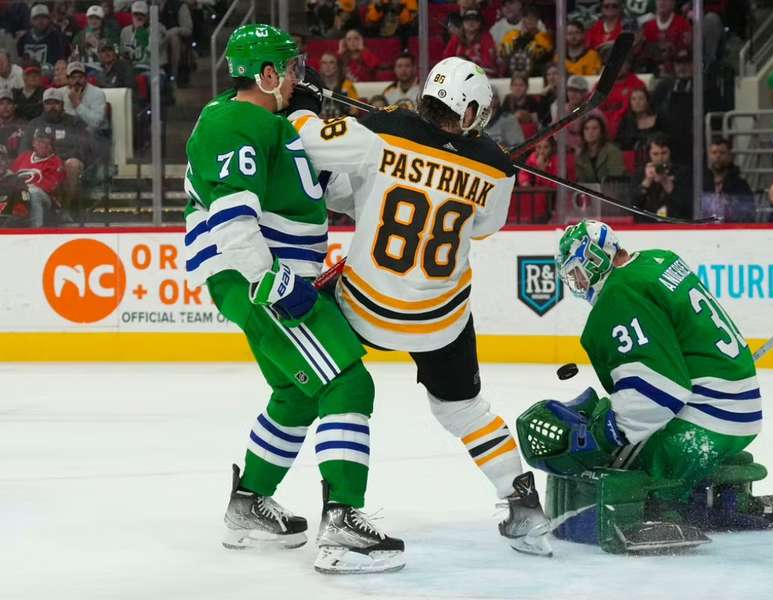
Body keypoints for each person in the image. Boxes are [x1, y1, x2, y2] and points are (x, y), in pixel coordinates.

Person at [288, 55, 553, 556]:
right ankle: (522, 505)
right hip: (439, 320)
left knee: (317, 382)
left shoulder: (383, 130)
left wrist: (306, 104)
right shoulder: (497, 167)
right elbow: (482, 227)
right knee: (465, 411)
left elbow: (313, 146)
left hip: (363, 308)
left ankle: (277, 491)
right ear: (471, 108)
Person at [182, 24, 403, 574]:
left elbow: (334, 196)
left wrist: (401, 150)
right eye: (291, 68)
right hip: (260, 281)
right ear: (266, 74)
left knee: (298, 394)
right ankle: (344, 522)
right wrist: (276, 283)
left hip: (274, 280)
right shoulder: (234, 120)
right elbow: (234, 223)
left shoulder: (278, 128)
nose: (300, 78)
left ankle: (249, 501)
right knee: (348, 380)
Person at [515, 220, 773, 552]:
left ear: (594, 260)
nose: (577, 283)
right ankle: (728, 498)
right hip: (741, 414)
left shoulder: (619, 294)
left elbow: (660, 392)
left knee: (627, 455)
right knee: (622, 417)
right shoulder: (658, 260)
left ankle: (666, 508)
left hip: (705, 425)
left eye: (577, 271)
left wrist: (603, 434)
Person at [21, 87, 89, 211]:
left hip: (65, 162)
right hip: (41, 164)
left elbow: (84, 147)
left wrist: (60, 160)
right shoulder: (34, 124)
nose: (52, 107)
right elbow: (24, 150)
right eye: (48, 103)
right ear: (43, 105)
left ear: (62, 105)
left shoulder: (74, 122)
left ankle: (65, 209)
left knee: (72, 164)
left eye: (56, 103)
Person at [11, 129, 64, 227]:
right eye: (39, 142)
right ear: (33, 143)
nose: (43, 145)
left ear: (51, 146)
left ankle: (36, 229)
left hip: (46, 199)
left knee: (33, 192)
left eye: (47, 143)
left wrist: (25, 187)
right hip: (19, 193)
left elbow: (51, 187)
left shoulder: (55, 161)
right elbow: (11, 173)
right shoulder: (24, 156)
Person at [633, 132, 691, 221]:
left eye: (664, 153)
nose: (660, 158)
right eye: (655, 154)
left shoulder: (682, 172)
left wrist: (666, 182)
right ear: (649, 154)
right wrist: (647, 181)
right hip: (647, 226)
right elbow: (633, 206)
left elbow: (686, 207)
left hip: (675, 224)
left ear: (670, 152)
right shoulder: (641, 173)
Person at [701, 137, 754, 222]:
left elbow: (748, 213)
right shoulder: (702, 182)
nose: (717, 156)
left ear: (729, 156)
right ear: (709, 155)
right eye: (714, 153)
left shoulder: (740, 185)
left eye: (722, 153)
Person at [638, 0, 691, 76]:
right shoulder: (648, 26)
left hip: (675, 72)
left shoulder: (682, 24)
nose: (662, 2)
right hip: (652, 72)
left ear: (673, 3)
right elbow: (645, 55)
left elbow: (684, 52)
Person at [615, 87, 665, 166]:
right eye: (633, 99)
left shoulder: (659, 119)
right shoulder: (625, 122)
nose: (637, 102)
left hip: (657, 159)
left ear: (647, 101)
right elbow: (620, 143)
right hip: (633, 162)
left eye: (641, 98)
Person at [498, 6, 553, 77]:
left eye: (533, 18)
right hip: (512, 77)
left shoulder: (544, 38)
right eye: (526, 17)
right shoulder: (511, 35)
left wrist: (534, 33)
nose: (529, 21)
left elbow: (544, 55)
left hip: (536, 77)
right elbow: (502, 53)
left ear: (538, 21)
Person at [442, 10, 497, 77]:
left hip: (480, 76)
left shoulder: (486, 38)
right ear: (463, 22)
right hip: (458, 76)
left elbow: (489, 65)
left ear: (480, 23)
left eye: (475, 20)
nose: (471, 22)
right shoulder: (456, 38)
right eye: (467, 19)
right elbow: (446, 60)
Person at [120, 1, 169, 72]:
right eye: (135, 14)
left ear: (147, 16)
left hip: (154, 70)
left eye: (142, 14)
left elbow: (151, 51)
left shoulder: (157, 28)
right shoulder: (125, 31)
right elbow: (124, 55)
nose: (138, 17)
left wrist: (140, 31)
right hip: (133, 70)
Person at [17, 4, 69, 69]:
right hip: (28, 75)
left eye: (43, 18)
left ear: (49, 19)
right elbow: (19, 60)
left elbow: (63, 59)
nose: (40, 21)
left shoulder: (58, 38)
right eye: (36, 18)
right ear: (31, 21)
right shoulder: (23, 39)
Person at [576, 115, 625, 182]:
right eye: (586, 128)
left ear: (601, 132)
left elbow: (616, 180)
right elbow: (581, 182)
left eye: (595, 128)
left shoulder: (612, 151)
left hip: (611, 190)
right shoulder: (581, 154)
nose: (590, 132)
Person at [63, 61, 108, 133]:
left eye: (80, 77)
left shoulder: (97, 93)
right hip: (73, 135)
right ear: (67, 79)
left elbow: (96, 123)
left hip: (98, 136)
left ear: (86, 78)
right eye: (73, 77)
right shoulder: (63, 93)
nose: (77, 81)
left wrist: (77, 104)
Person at [317, 51, 358, 118]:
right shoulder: (316, 86)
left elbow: (354, 112)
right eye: (324, 63)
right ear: (320, 66)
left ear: (337, 66)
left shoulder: (347, 85)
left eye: (331, 62)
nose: (328, 66)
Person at [71, 5, 108, 72]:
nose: (93, 21)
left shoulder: (108, 35)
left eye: (97, 18)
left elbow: (109, 61)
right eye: (91, 18)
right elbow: (74, 57)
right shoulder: (79, 36)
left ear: (102, 20)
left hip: (101, 69)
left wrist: (96, 46)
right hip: (82, 68)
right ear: (87, 19)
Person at [0, 89, 26, 155]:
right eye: (1, 103)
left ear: (14, 106)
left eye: (9, 103)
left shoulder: (24, 125)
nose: (5, 107)